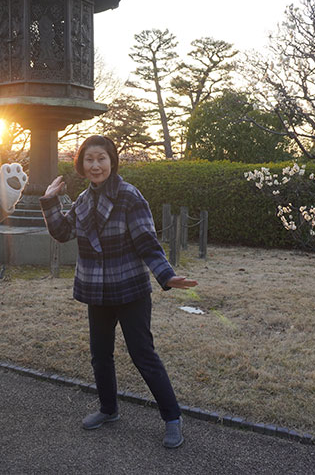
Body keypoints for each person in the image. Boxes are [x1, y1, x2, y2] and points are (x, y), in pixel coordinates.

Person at [40, 135, 197, 449]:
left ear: (112, 161)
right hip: (97, 291)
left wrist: (166, 275)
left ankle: (172, 417)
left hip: (130, 290)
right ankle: (108, 410)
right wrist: (49, 201)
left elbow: (147, 243)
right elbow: (61, 233)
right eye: (89, 159)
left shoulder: (129, 196)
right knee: (100, 356)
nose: (95, 165)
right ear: (81, 165)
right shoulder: (83, 200)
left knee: (143, 355)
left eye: (101, 158)